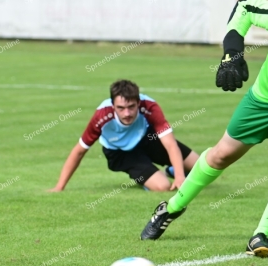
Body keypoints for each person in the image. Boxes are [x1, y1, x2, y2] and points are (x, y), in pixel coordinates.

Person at [140, 0, 268, 258]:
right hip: (264, 101)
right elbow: (246, 6)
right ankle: (171, 208)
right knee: (220, 156)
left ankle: (261, 234)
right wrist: (232, 53)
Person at [48, 80, 198, 193]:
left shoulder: (149, 106)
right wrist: (59, 187)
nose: (127, 113)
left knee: (199, 165)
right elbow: (79, 151)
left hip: (147, 139)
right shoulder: (101, 116)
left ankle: (172, 170)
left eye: (131, 107)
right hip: (121, 152)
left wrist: (179, 176)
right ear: (113, 105)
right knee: (163, 186)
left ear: (138, 103)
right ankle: (145, 179)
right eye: (121, 108)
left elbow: (170, 144)